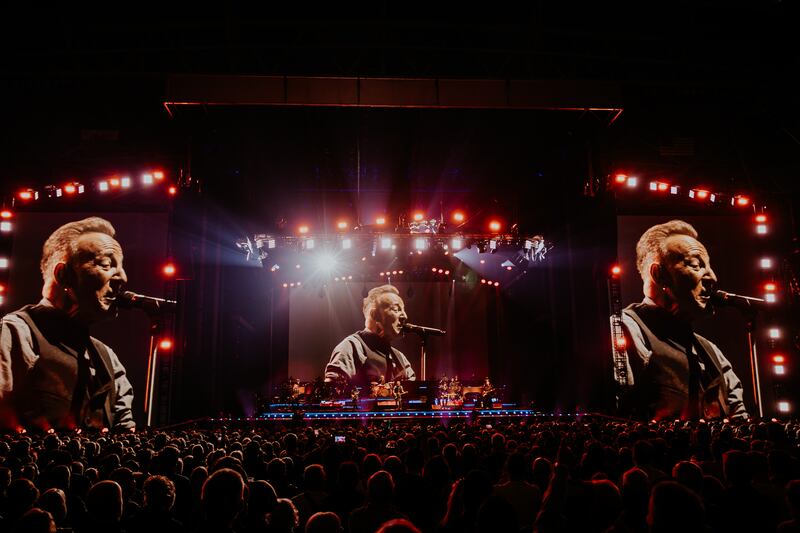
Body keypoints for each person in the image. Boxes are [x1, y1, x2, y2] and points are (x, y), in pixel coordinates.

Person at [0, 217, 135, 431]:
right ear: (63, 274)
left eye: (120, 266)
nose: (123, 278)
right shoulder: (14, 333)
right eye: (107, 265)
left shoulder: (108, 359)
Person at [618, 219, 748, 420]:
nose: (712, 277)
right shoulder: (625, 328)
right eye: (696, 265)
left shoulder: (712, 352)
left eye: (709, 267)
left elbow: (739, 416)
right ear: (658, 274)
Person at [324, 285, 415, 388]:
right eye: (396, 309)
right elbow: (331, 393)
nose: (405, 316)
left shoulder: (400, 358)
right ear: (375, 314)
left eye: (403, 310)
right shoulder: (351, 347)